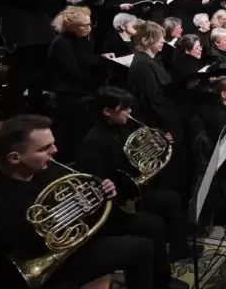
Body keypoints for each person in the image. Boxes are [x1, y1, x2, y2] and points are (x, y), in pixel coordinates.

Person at [0, 115, 187, 289]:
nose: (55, 151)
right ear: (14, 158)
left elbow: (84, 214)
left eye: (52, 144)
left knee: (143, 247)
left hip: (74, 252)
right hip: (48, 267)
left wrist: (102, 193)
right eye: (44, 148)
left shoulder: (49, 172)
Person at [75, 88, 192, 263]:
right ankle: (161, 280)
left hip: (131, 190)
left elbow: (135, 156)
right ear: (107, 112)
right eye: (125, 108)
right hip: (118, 202)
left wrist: (161, 142)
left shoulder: (122, 127)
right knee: (154, 225)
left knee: (172, 198)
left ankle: (179, 248)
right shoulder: (94, 141)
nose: (130, 111)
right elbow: (96, 182)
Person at [47, 6, 109, 161]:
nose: (88, 28)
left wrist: (102, 58)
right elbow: (73, 73)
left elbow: (86, 61)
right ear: (70, 26)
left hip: (86, 90)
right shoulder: (61, 43)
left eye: (89, 24)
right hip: (71, 94)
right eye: (84, 25)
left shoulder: (82, 39)